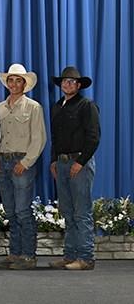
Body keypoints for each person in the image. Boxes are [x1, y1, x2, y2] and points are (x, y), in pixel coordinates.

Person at [0, 64, 46, 270]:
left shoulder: (33, 107)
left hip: (21, 161)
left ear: (25, 84)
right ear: (7, 83)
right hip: (3, 162)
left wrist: (25, 162)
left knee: (23, 210)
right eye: (11, 80)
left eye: (18, 80)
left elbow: (39, 138)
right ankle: (15, 253)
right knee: (11, 210)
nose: (14, 84)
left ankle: (28, 255)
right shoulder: (0, 108)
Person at [48, 66, 100, 271]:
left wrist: (81, 162)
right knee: (67, 211)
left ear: (78, 85)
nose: (67, 84)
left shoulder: (87, 106)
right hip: (61, 163)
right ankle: (70, 255)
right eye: (64, 81)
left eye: (72, 82)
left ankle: (86, 258)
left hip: (79, 162)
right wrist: (53, 161)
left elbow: (93, 137)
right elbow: (55, 138)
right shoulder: (57, 107)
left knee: (82, 212)